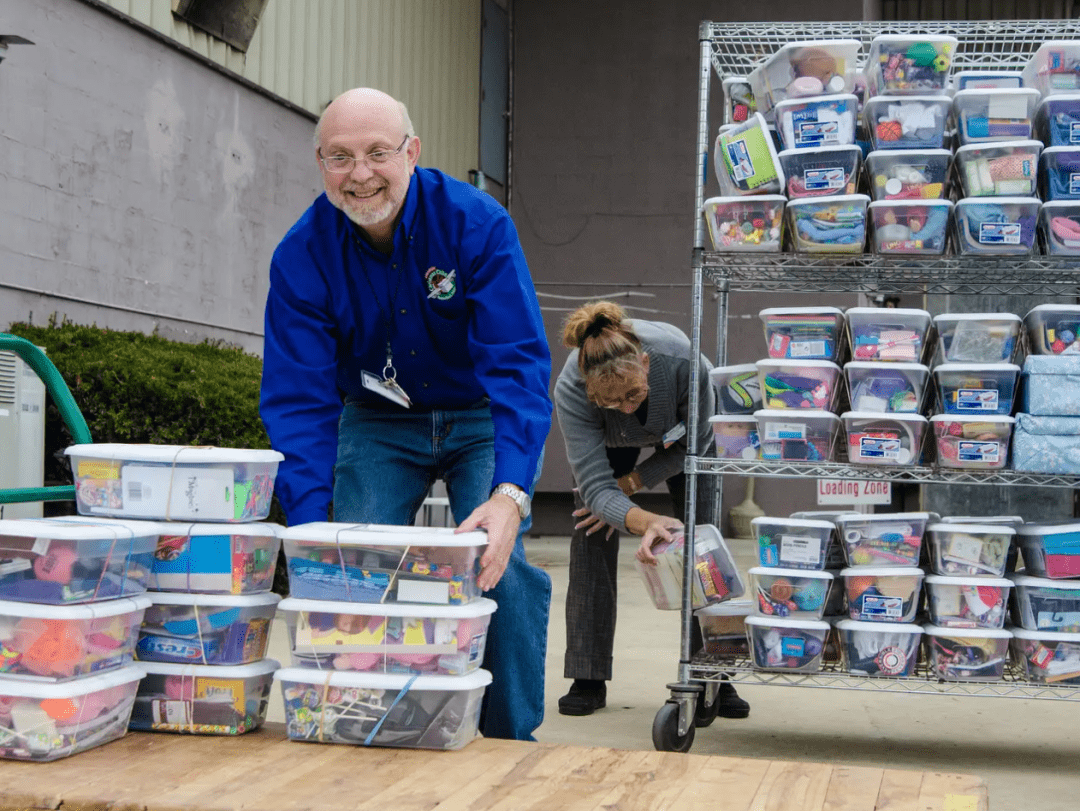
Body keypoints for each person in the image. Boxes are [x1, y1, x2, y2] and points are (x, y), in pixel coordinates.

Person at [259, 88, 553, 741]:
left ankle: (509, 740)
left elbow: (518, 364)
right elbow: (298, 398)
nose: (360, 174)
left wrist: (509, 494)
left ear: (412, 153)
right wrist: (314, 532)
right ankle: (364, 724)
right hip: (378, 418)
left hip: (477, 412)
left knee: (494, 565)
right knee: (351, 570)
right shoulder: (302, 256)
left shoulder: (477, 225)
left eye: (376, 153)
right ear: (320, 163)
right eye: (340, 157)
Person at [553, 301, 750, 718]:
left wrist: (633, 484)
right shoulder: (571, 389)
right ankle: (587, 674)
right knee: (590, 528)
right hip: (610, 447)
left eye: (633, 394)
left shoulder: (684, 364)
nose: (625, 406)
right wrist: (640, 517)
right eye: (611, 401)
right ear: (590, 389)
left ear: (644, 363)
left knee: (703, 547)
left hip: (685, 444)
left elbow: (692, 446)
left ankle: (716, 672)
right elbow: (593, 486)